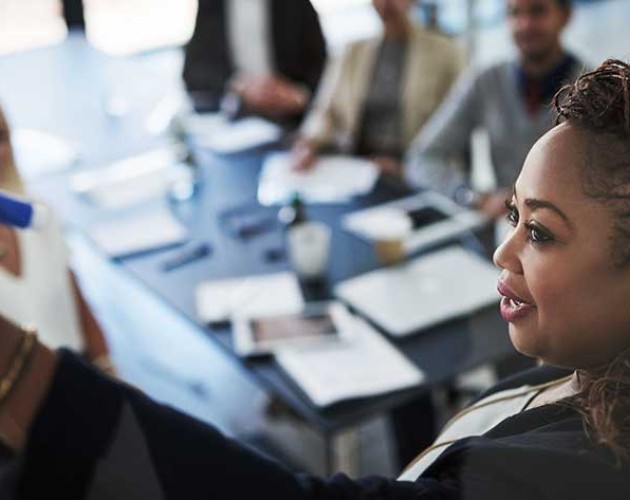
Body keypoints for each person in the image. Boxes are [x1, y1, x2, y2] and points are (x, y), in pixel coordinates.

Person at [2, 59, 630, 498]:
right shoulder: (583, 372)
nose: (503, 251)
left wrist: (21, 369)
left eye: (541, 233)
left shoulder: (573, 476)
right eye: (515, 215)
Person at [404, 0, 586, 219]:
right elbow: (422, 159)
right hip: (505, 229)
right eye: (514, 13)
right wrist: (470, 196)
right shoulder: (485, 81)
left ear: (565, 16)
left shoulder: (594, 92)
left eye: (538, 11)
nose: (525, 25)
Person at [0, 104, 113, 374]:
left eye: (1, 137)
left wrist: (109, 371)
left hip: (76, 377)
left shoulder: (39, 216)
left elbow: (77, 302)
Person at [292, 0, 463, 176]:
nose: (386, 3)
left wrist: (405, 169)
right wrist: (309, 143)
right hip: (357, 166)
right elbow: (325, 111)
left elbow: (455, 130)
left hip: (412, 170)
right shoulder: (352, 50)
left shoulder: (446, 53)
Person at [182, 0, 327, 123]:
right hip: (236, 120)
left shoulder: (295, 4)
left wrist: (300, 96)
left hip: (294, 119)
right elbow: (194, 71)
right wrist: (240, 87)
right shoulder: (212, 5)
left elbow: (323, 66)